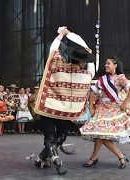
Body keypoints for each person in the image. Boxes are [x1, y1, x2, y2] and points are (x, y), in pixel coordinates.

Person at [33, 27, 95, 175]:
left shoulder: (58, 67)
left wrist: (61, 35)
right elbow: (92, 67)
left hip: (49, 109)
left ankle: (49, 158)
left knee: (50, 137)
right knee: (60, 137)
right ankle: (47, 158)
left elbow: (53, 50)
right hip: (67, 114)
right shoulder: (86, 75)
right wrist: (89, 52)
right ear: (82, 63)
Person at [80, 57, 130, 169]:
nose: (106, 65)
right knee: (100, 134)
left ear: (115, 65)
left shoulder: (120, 78)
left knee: (101, 135)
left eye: (108, 63)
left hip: (113, 110)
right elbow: (92, 92)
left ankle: (95, 158)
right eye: (105, 63)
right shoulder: (102, 79)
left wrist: (125, 103)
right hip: (101, 109)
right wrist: (91, 108)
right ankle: (118, 156)